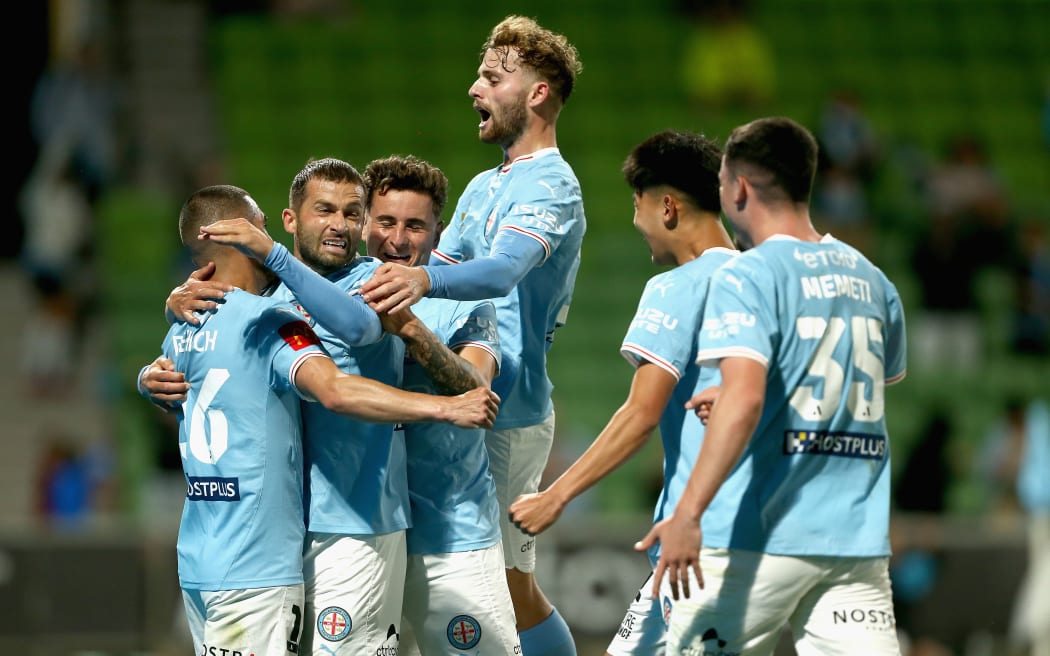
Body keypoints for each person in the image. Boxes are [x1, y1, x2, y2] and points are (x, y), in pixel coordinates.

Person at [149, 184, 498, 656]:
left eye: (351, 212)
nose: (339, 223)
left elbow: (360, 327)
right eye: (324, 210)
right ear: (283, 223)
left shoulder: (195, 321)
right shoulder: (268, 315)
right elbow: (334, 389)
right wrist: (445, 407)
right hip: (268, 552)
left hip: (340, 526)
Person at [635, 117, 907, 654]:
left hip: (755, 540)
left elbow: (747, 395)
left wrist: (686, 514)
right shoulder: (873, 280)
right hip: (855, 547)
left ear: (737, 188)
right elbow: (856, 392)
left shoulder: (746, 274)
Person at [360, 16, 585, 654]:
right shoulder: (487, 185)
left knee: (510, 587)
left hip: (505, 411)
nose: (473, 89)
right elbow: (435, 266)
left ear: (537, 93)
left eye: (491, 77)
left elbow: (505, 269)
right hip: (454, 394)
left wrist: (425, 287)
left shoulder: (553, 183)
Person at [508, 130, 735, 655]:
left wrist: (556, 494)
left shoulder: (679, 286)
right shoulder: (765, 279)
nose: (639, 226)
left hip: (698, 540)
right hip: (758, 531)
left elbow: (641, 412)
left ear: (668, 206)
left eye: (639, 207)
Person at [362, 154, 520, 654]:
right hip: (360, 540)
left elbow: (476, 386)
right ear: (365, 221)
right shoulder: (333, 296)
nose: (398, 238)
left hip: (452, 536)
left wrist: (408, 326)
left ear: (439, 231)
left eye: (415, 225)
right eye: (385, 221)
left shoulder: (465, 304)